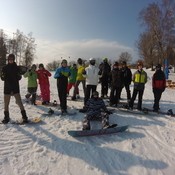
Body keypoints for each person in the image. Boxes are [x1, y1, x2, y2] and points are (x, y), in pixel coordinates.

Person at [1, 54, 28, 123]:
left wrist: (19, 75)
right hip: (7, 88)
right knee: (6, 104)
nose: (10, 60)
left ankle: (24, 117)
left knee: (19, 103)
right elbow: (2, 78)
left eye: (12, 59)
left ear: (14, 59)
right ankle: (6, 117)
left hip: (15, 88)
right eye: (9, 59)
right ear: (8, 60)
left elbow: (19, 78)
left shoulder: (17, 68)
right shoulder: (4, 68)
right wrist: (2, 76)